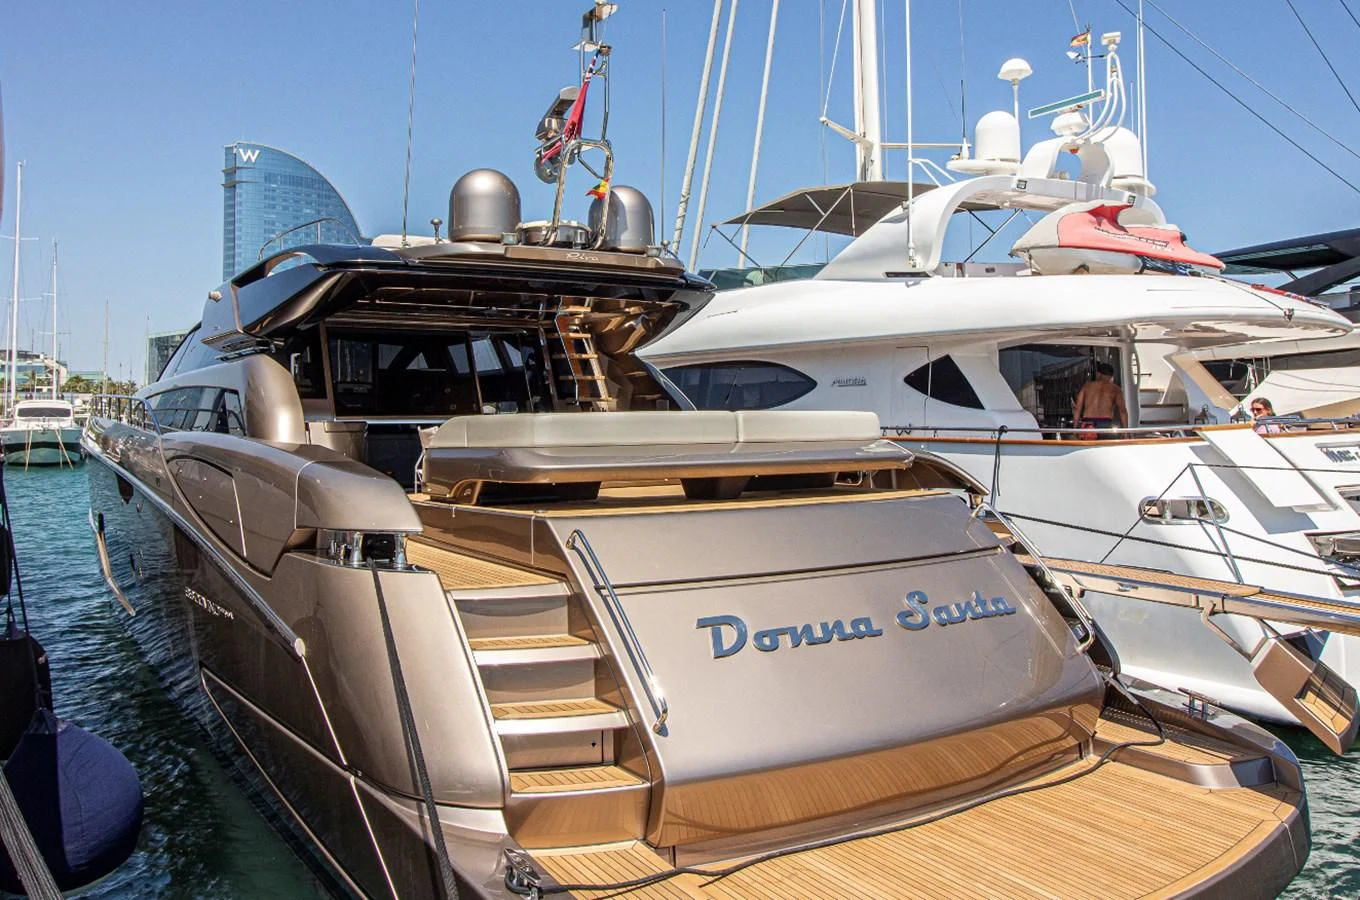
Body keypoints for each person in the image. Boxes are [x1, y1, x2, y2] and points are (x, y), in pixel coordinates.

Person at [1072, 361, 1127, 438]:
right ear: (1111, 376)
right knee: (1105, 448)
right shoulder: (1115, 389)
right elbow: (1123, 411)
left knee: (1087, 449)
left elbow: (1077, 409)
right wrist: (1125, 431)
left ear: (1098, 374)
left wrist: (1075, 428)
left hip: (1088, 424)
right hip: (1105, 423)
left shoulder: (1087, 386)